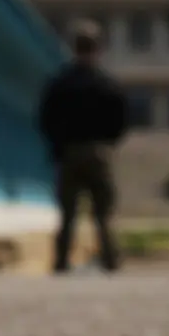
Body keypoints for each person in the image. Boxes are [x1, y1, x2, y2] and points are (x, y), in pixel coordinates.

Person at [37, 19, 129, 273]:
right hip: (99, 152)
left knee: (67, 214)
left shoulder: (60, 83)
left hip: (69, 152)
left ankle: (61, 262)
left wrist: (57, 145)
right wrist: (109, 143)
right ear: (98, 48)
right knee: (103, 214)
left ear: (74, 48)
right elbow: (121, 120)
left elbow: (45, 118)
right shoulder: (107, 84)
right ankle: (111, 262)